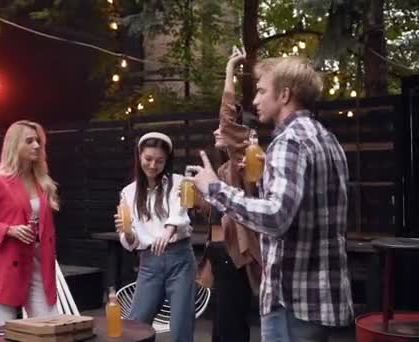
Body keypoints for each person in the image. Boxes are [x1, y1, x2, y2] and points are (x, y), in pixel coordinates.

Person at [188, 57, 353, 342]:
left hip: (291, 300)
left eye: (262, 91)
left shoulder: (288, 141)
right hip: (321, 298)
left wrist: (214, 188)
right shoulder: (328, 139)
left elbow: (276, 217)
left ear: (285, 94)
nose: (255, 100)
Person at [0, 120, 60, 332]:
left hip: (37, 264)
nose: (37, 145)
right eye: (29, 141)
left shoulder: (40, 180)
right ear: (14, 145)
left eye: (38, 140)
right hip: (3, 267)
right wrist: (9, 230)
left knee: (49, 328)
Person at [197, 47, 262, 342]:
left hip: (235, 256)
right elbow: (212, 211)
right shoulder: (222, 169)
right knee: (222, 326)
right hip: (218, 253)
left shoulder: (243, 161)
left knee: (232, 326)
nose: (217, 132)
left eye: (223, 129)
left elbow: (227, 119)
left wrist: (229, 71)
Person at [114, 132, 196, 342]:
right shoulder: (129, 193)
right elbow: (130, 242)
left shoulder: (178, 182)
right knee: (136, 324)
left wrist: (168, 232)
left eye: (159, 161)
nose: (152, 165)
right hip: (149, 262)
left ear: (166, 161)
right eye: (148, 159)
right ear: (139, 156)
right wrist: (128, 233)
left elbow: (182, 211)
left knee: (180, 325)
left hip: (180, 259)